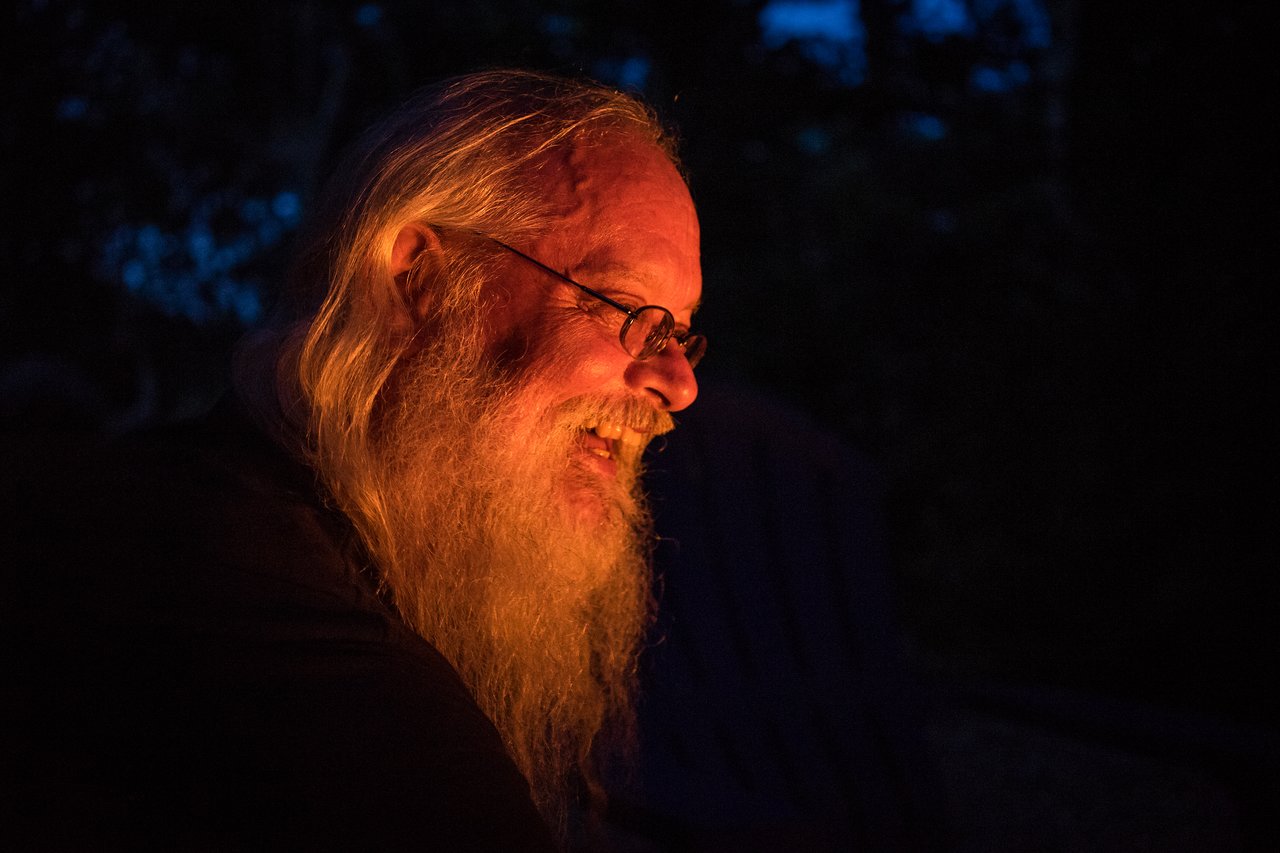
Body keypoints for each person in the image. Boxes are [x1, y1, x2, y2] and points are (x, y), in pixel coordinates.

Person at [3, 69, 705, 850]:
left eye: (681, 333)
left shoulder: (206, 509)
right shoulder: (304, 660)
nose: (680, 384)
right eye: (628, 310)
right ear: (422, 278)